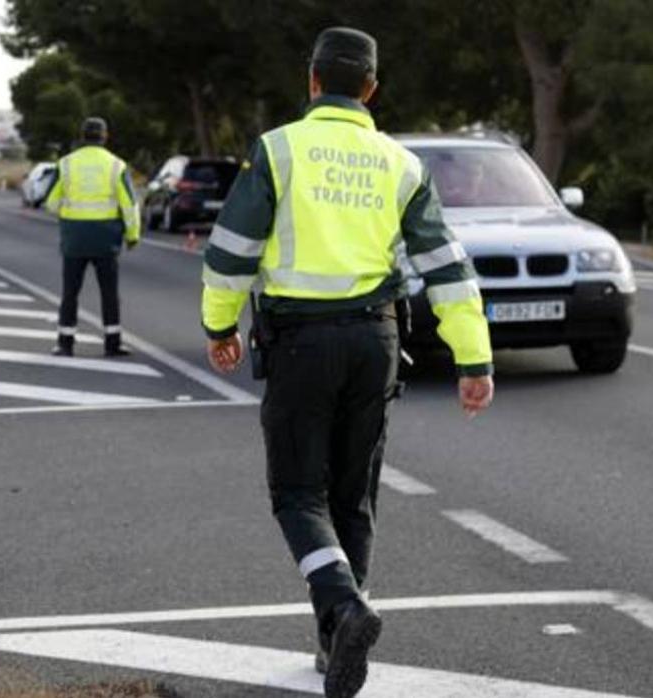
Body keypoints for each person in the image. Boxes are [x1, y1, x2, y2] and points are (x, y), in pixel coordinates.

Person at [200, 27, 494, 698]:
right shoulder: (401, 164)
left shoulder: (278, 150)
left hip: (301, 341)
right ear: (371, 89)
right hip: (377, 343)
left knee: (297, 493)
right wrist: (474, 359)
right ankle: (335, 642)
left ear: (311, 81)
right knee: (353, 497)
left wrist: (219, 325)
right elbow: (448, 268)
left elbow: (230, 253)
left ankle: (345, 606)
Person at [45, 116, 140, 357]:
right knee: (109, 293)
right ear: (105, 136)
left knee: (70, 292)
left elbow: (51, 202)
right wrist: (132, 235)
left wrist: (68, 213)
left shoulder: (66, 164)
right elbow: (129, 205)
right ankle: (112, 342)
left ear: (81, 136)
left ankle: (65, 343)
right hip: (106, 238)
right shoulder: (116, 165)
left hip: (74, 238)